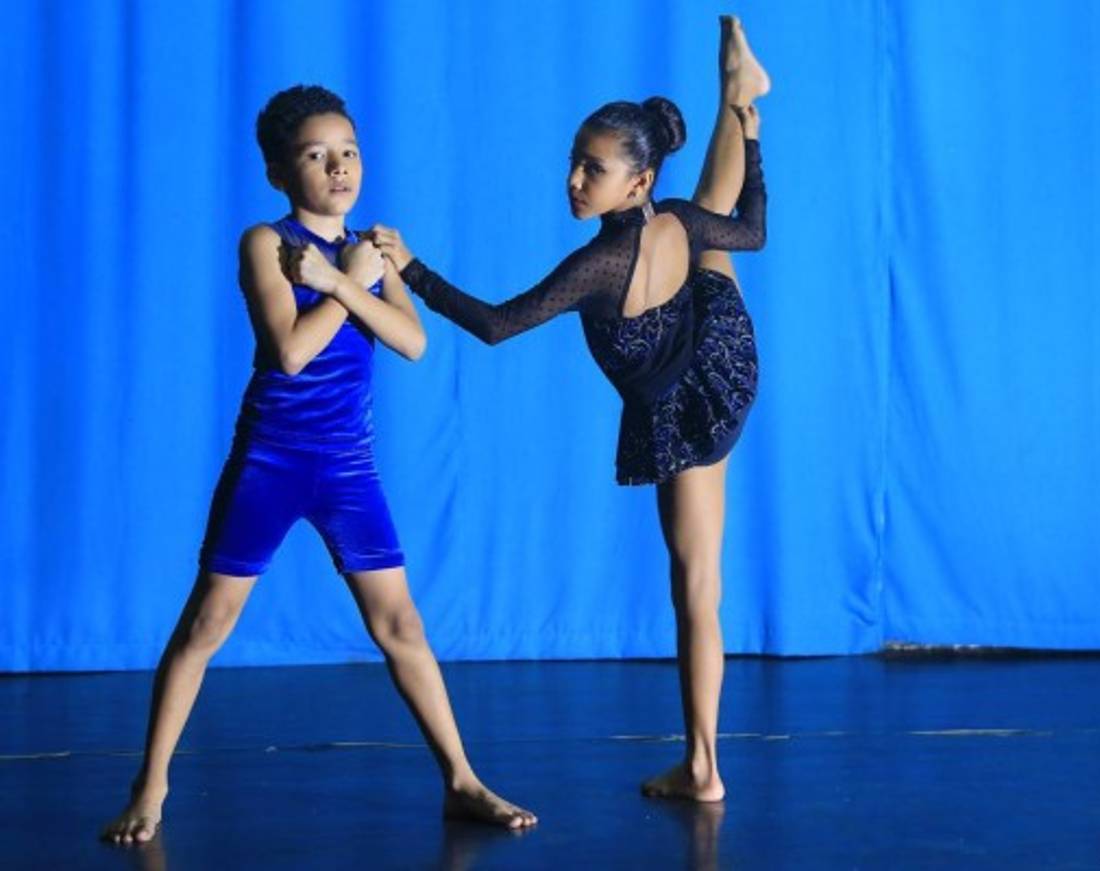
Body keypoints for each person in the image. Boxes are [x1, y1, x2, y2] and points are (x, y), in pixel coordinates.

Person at [102, 85, 537, 845]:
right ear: (278, 170)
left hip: (347, 467)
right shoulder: (265, 243)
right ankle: (152, 784)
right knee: (207, 621)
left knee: (400, 622)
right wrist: (349, 281)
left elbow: (413, 341)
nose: (338, 167)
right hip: (271, 460)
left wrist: (348, 276)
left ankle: (463, 779)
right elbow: (292, 353)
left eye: (349, 151)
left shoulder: (366, 247)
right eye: (316, 154)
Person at [370, 16, 770, 802]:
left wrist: (410, 266)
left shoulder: (598, 262)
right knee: (713, 226)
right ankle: (739, 98)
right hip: (705, 341)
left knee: (693, 583)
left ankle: (703, 767)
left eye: (592, 169)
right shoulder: (673, 218)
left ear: (635, 182)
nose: (573, 182)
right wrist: (753, 144)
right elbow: (755, 227)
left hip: (687, 393)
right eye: (572, 165)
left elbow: (493, 325)